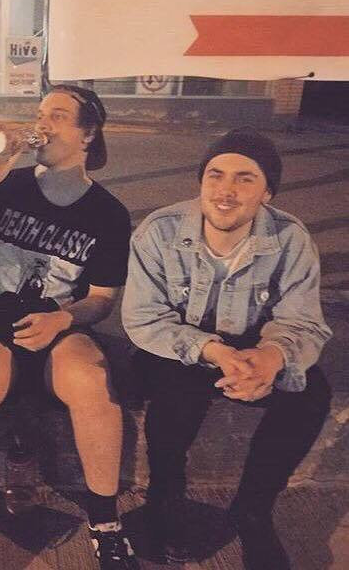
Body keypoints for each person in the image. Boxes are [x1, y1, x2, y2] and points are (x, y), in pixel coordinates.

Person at [0, 85, 139, 570]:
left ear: (88, 135)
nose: (41, 123)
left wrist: (64, 317)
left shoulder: (108, 213)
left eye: (58, 116)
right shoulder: (9, 185)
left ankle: (106, 525)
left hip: (61, 321)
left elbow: (101, 299)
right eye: (40, 113)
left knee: (90, 375)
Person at [121, 128, 332, 568]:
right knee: (175, 387)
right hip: (180, 348)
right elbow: (144, 318)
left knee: (310, 393)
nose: (226, 190)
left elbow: (304, 321)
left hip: (253, 351)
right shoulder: (160, 231)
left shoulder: (290, 239)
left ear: (267, 192)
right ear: (201, 181)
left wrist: (272, 356)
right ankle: (165, 497)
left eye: (244, 178)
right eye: (215, 175)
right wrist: (213, 351)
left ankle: (253, 510)